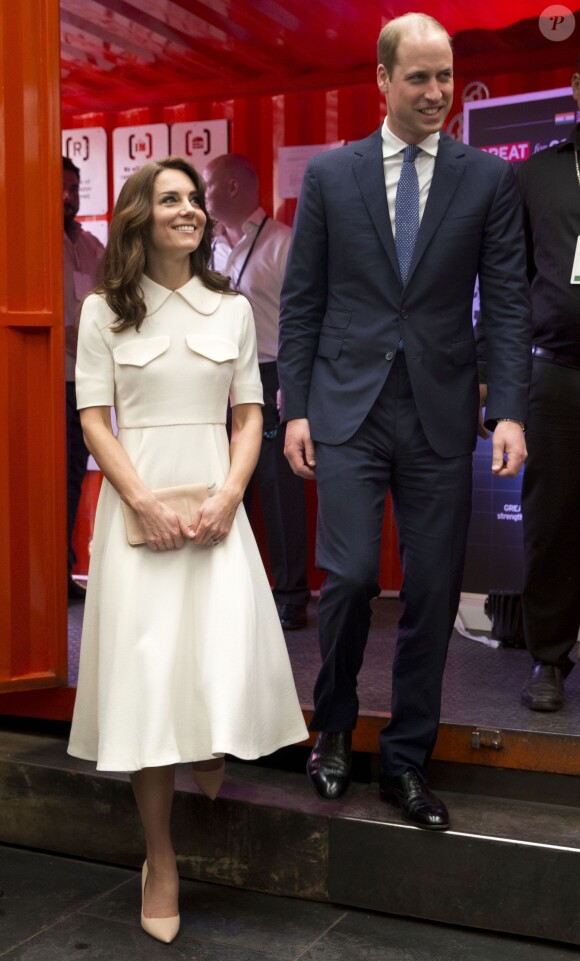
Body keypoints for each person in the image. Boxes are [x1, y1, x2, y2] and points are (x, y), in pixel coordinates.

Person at [278, 13, 531, 831]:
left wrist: (511, 411)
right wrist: (297, 409)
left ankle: (408, 761)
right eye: (419, 77)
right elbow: (304, 301)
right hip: (347, 408)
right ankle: (335, 731)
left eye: (446, 77)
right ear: (381, 81)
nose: (436, 94)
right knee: (349, 577)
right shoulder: (331, 176)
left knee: (429, 589)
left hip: (439, 411)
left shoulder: (487, 179)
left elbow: (507, 303)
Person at [67, 157, 307, 943]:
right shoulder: (106, 310)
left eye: (195, 199)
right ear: (139, 214)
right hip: (139, 516)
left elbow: (248, 415)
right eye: (170, 199)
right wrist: (137, 499)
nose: (190, 210)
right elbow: (95, 417)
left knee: (212, 657)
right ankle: (160, 858)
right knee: (147, 686)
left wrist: (230, 496)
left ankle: (208, 743)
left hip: (214, 509)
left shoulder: (230, 308)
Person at [204, 154, 311, 631]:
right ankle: (229, 588)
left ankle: (291, 596)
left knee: (277, 485)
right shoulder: (205, 248)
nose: (199, 196)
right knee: (226, 484)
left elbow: (304, 320)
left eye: (205, 186)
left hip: (270, 375)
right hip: (215, 378)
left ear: (230, 186)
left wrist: (294, 383)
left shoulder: (283, 243)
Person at [516, 64, 580, 712]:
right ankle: (549, 658)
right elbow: (510, 283)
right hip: (557, 371)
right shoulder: (538, 173)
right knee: (552, 521)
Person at [63, 156, 104, 601]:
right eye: (60, 187)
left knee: (75, 474)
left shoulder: (92, 245)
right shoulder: (34, 239)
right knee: (51, 478)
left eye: (74, 187)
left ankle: (66, 569)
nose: (68, 196)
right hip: (47, 379)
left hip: (85, 382)